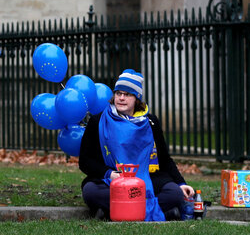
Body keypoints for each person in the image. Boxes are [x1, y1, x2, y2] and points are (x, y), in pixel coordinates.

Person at [78, 69, 195, 221]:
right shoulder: (98, 121)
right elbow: (85, 161)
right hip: (113, 179)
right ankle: (163, 213)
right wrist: (110, 174)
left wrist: (181, 183)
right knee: (91, 192)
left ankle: (110, 213)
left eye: (127, 94)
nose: (121, 98)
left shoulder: (150, 122)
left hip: (147, 178)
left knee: (175, 194)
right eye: (118, 93)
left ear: (137, 98)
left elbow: (165, 159)